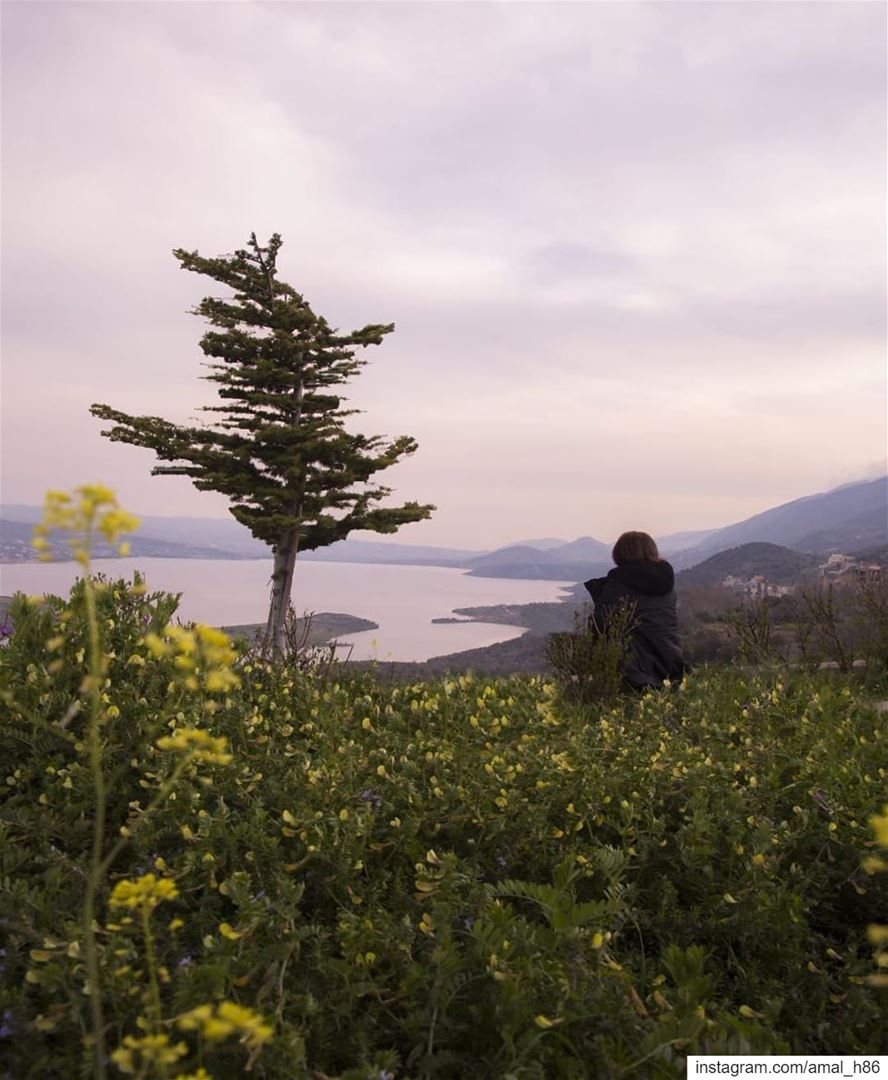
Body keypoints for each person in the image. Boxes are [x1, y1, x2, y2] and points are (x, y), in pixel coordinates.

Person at [584, 531, 686, 691]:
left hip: (634, 675)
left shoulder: (617, 587)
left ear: (619, 554)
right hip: (671, 667)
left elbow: (598, 628)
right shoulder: (667, 588)